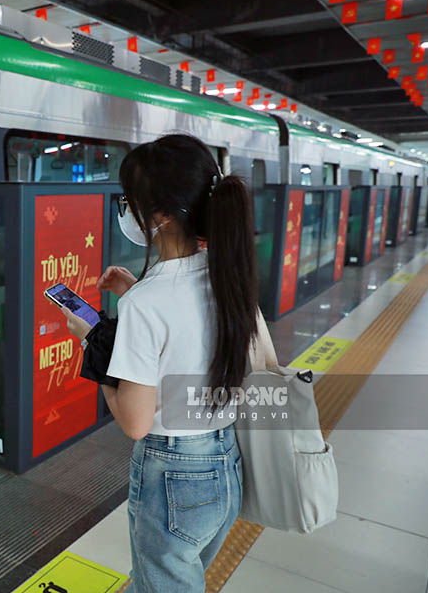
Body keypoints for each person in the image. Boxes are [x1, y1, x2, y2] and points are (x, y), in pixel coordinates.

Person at [58, 134, 274, 592]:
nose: (126, 212)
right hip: (226, 463)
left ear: (160, 216)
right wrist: (136, 291)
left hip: (173, 476)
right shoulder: (226, 273)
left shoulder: (147, 303)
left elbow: (135, 422)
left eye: (129, 201)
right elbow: (189, 327)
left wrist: (92, 342)